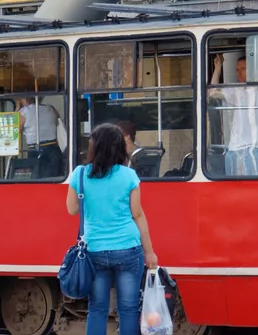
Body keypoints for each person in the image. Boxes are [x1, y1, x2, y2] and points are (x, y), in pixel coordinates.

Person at [66, 123, 158, 335]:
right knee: (128, 309)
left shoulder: (80, 174)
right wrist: (149, 252)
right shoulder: (129, 176)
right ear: (119, 148)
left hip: (95, 250)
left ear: (93, 147)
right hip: (128, 249)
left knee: (97, 308)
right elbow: (137, 215)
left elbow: (71, 210)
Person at [209, 54, 258, 176]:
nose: (239, 73)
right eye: (237, 70)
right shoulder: (236, 90)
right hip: (236, 148)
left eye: (243, 69)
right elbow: (212, 93)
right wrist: (218, 68)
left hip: (256, 147)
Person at [17, 97, 63, 178]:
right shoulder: (50, 108)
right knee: (55, 180)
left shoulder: (24, 111)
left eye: (21, 100)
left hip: (36, 151)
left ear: (26, 100)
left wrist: (17, 108)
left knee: (37, 183)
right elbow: (58, 121)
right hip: (54, 149)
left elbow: (15, 130)